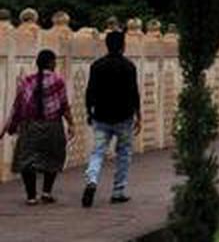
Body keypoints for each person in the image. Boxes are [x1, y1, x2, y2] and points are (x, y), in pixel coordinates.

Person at [4, 49, 75, 205]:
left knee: (27, 159)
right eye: (54, 61)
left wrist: (9, 127)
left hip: (30, 126)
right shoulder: (58, 81)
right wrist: (71, 124)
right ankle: (46, 193)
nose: (56, 64)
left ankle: (31, 196)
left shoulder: (27, 81)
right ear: (50, 63)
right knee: (52, 157)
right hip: (52, 126)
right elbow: (64, 106)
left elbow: (17, 106)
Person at [84, 31, 141, 208]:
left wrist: (89, 111)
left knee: (98, 151)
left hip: (101, 116)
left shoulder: (97, 66)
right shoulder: (129, 66)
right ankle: (118, 191)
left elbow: (90, 91)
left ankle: (92, 179)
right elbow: (134, 92)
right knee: (123, 153)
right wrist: (138, 114)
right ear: (123, 45)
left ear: (107, 45)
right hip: (124, 116)